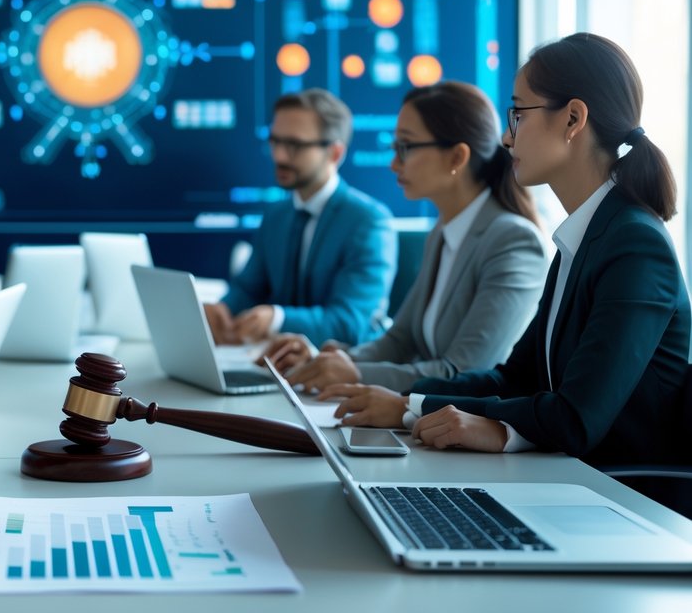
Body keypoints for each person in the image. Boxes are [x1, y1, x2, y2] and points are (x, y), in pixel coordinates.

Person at [325, 34, 690, 466]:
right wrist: (409, 402)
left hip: (626, 498)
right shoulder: (585, 238)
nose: (505, 137)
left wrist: (423, 412)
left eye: (518, 114)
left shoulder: (634, 245)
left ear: (573, 119)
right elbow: (514, 378)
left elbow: (576, 417)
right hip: (573, 481)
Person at [264, 81, 546, 391]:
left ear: (456, 158)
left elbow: (466, 371)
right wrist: (327, 361)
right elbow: (401, 340)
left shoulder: (514, 242)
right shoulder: (442, 232)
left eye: (406, 148)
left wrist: (356, 374)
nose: (393, 163)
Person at [205, 89, 396, 346]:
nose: (280, 156)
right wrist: (223, 310)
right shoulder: (276, 216)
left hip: (342, 373)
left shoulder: (368, 221)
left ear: (335, 153)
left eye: (294, 145)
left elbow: (350, 324)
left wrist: (277, 318)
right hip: (274, 364)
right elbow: (248, 290)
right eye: (275, 141)